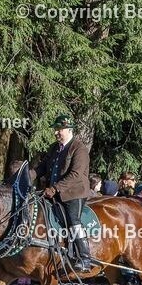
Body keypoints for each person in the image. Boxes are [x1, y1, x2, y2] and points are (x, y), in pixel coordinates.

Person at [35, 115, 93, 271]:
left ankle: (85, 257)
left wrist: (54, 188)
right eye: (55, 129)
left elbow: (76, 174)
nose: (56, 132)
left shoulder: (79, 149)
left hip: (74, 193)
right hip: (54, 193)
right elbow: (42, 168)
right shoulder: (54, 148)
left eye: (59, 129)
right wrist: (26, 175)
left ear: (69, 130)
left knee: (73, 220)